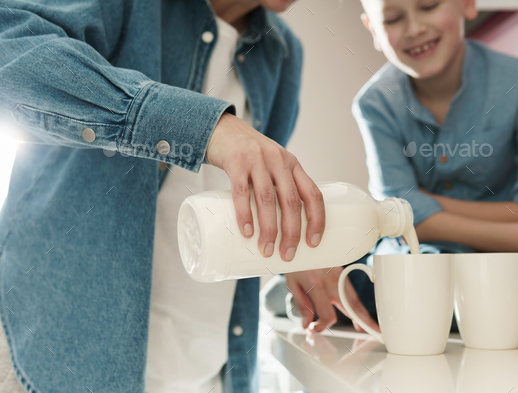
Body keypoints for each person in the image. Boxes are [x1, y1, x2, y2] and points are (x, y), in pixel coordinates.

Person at [0, 0, 378, 392]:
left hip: (209, 373)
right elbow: (9, 52)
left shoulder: (281, 52)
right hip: (54, 362)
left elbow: (238, 191)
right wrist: (208, 128)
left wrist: (292, 246)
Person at [351, 0, 518, 328]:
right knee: (412, 280)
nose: (414, 28)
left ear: (467, 4)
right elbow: (398, 218)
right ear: (373, 31)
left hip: (515, 262)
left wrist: (422, 206)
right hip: (426, 256)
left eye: (429, 5)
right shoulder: (374, 104)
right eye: (392, 18)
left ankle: (360, 294)